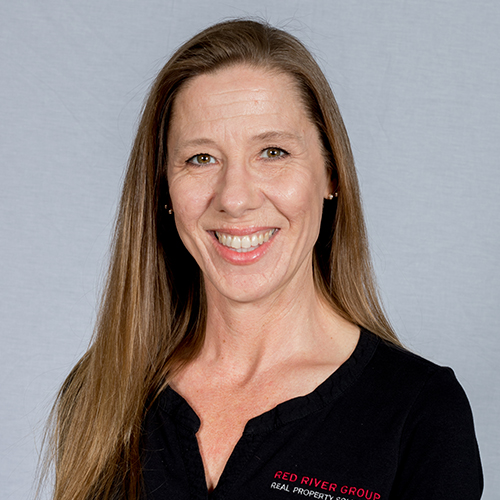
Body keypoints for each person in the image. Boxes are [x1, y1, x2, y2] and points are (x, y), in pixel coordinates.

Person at [42, 19, 483, 500]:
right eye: (201, 158)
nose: (234, 198)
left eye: (272, 152)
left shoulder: (419, 412)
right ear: (164, 189)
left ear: (331, 175)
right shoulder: (99, 395)